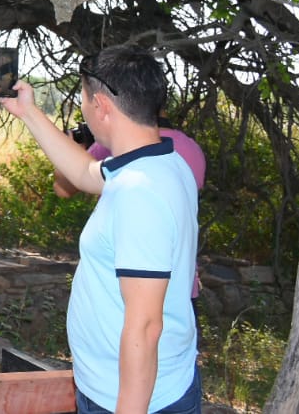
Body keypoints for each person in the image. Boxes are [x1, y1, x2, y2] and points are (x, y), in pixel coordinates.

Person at [0, 47, 200, 414]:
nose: (84, 109)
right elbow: (84, 174)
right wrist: (27, 111)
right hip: (115, 388)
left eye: (84, 100)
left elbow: (145, 326)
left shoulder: (140, 192)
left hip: (133, 401)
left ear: (102, 106)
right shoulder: (160, 162)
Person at [55, 116, 207, 324]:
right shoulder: (191, 149)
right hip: (181, 285)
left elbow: (64, 187)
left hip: (122, 286)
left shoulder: (113, 145)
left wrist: (72, 148)